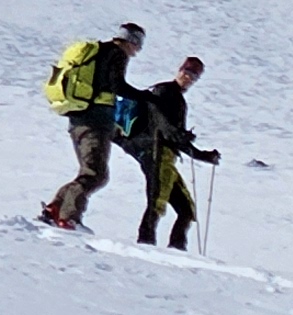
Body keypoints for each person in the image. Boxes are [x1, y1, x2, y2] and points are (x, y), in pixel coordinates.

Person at [37, 22, 144, 231]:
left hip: (78, 120)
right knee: (96, 174)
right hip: (95, 122)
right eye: (138, 44)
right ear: (132, 40)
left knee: (88, 172)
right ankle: (68, 218)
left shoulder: (98, 51)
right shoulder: (117, 53)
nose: (137, 50)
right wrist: (144, 97)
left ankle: (55, 209)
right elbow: (116, 85)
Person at [132, 55, 222, 250]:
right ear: (179, 70)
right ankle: (145, 243)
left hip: (167, 156)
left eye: (193, 76)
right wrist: (180, 136)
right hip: (157, 152)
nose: (188, 78)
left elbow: (175, 136)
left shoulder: (177, 98)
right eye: (187, 72)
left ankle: (177, 248)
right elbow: (162, 125)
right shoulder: (164, 91)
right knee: (157, 200)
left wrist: (202, 155)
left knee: (187, 210)